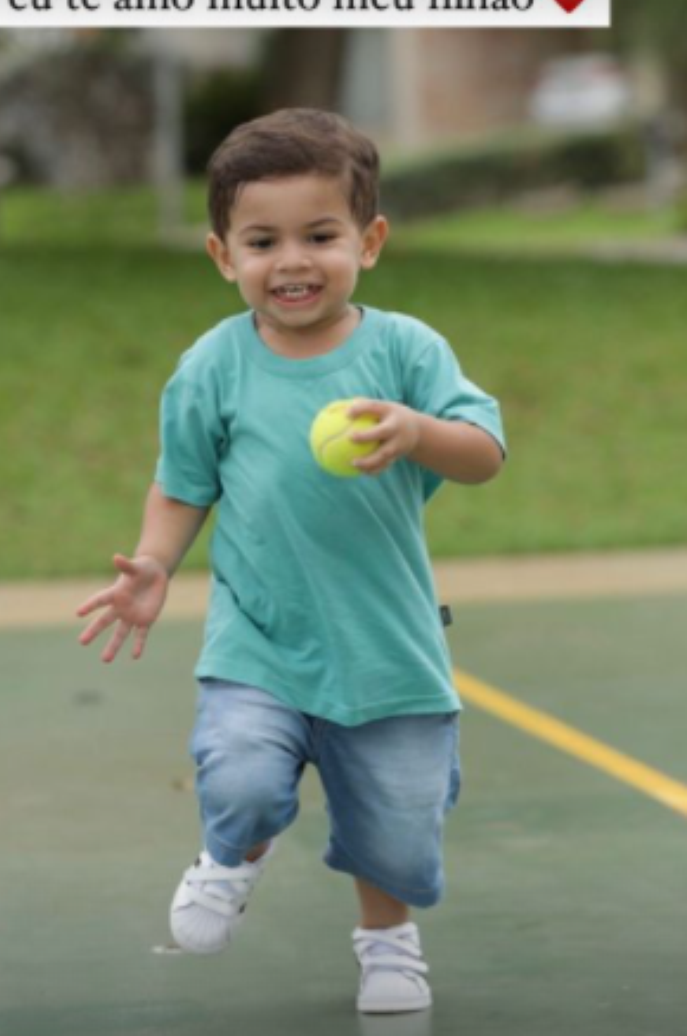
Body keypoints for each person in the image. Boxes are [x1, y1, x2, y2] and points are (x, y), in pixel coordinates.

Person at [76, 108, 506, 1014]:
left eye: (321, 234)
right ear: (223, 256)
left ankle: (387, 938)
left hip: (388, 645)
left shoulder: (403, 350)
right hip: (259, 641)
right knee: (239, 776)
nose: (294, 261)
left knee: (394, 821)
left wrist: (419, 429)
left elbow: (483, 452)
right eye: (262, 240)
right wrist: (155, 564)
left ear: (371, 240)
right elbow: (183, 483)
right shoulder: (213, 365)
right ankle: (230, 859)